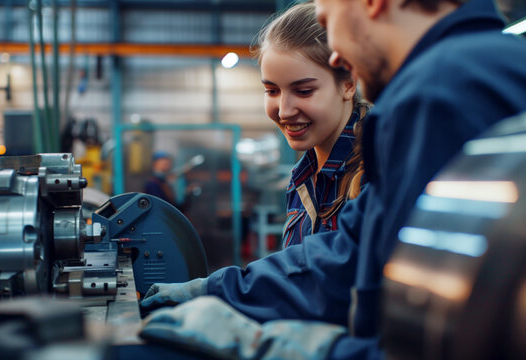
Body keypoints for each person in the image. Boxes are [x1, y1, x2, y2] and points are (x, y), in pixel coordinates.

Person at [138, 0, 526, 358]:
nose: (339, 55)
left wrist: (298, 348)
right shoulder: (495, 66)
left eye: (328, 20)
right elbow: (350, 255)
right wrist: (215, 290)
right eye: (272, 90)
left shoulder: (439, 91)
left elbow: (421, 334)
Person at [254, 3, 368, 249]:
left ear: (348, 84)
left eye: (304, 91)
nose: (284, 110)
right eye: (271, 90)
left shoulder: (376, 173)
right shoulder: (301, 177)